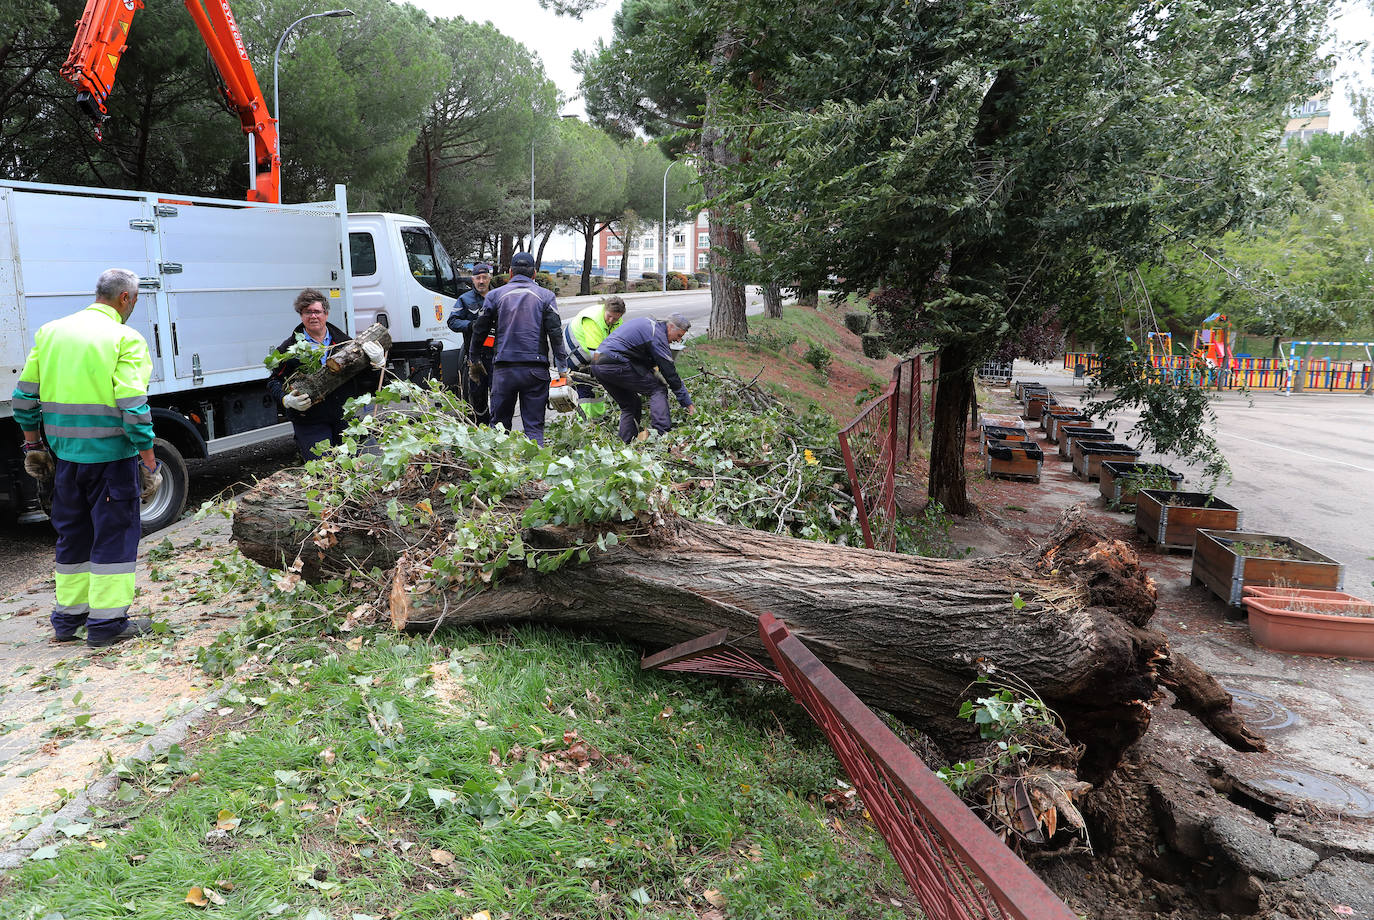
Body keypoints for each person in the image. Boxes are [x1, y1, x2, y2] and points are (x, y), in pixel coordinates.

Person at [11, 268, 160, 648]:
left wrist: (33, 447)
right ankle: (107, 625)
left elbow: (24, 400)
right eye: (136, 300)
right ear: (125, 298)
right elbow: (133, 407)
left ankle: (67, 620)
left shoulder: (51, 332)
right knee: (113, 538)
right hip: (111, 461)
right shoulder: (125, 338)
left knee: (72, 537)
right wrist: (149, 462)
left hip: (66, 461)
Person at [267, 289, 385, 461]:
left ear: (326, 314)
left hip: (344, 418)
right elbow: (273, 381)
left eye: (317, 312)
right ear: (301, 315)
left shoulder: (345, 343)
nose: (313, 316)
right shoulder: (289, 349)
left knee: (351, 470)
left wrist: (377, 364)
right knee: (322, 472)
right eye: (307, 312)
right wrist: (287, 400)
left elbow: (365, 381)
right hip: (309, 421)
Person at [470, 252, 567, 445]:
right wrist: (562, 369)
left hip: (504, 370)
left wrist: (474, 358)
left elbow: (479, 329)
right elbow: (555, 334)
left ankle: (500, 469)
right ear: (534, 273)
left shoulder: (495, 295)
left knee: (499, 426)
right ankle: (536, 472)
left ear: (510, 272)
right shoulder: (546, 296)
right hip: (535, 371)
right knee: (533, 426)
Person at [591, 312, 696, 443]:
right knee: (658, 388)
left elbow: (636, 355)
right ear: (670, 327)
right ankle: (662, 435)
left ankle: (625, 443)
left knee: (630, 404)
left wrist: (651, 370)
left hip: (597, 363)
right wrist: (687, 403)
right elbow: (670, 374)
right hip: (614, 362)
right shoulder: (656, 335)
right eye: (679, 335)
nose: (678, 340)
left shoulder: (649, 325)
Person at [563, 296, 626, 418]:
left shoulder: (618, 321)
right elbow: (597, 355)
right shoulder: (592, 320)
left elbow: (618, 346)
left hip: (592, 357)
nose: (611, 321)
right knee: (584, 389)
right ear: (605, 309)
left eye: (615, 318)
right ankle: (584, 423)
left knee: (597, 388)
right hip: (575, 357)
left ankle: (597, 420)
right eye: (609, 316)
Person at [446, 262, 493, 424]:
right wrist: (470, 325)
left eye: (484, 277)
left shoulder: (498, 297)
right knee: (477, 398)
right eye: (478, 278)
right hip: (475, 358)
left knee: (498, 396)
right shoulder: (464, 300)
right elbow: (452, 322)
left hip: (497, 357)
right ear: (472, 280)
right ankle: (482, 428)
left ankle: (499, 431)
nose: (481, 281)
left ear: (489, 278)